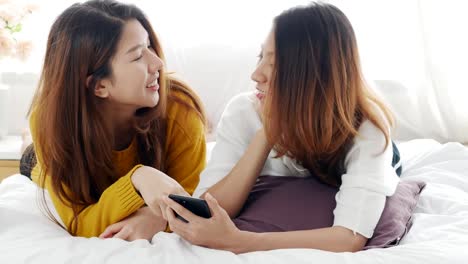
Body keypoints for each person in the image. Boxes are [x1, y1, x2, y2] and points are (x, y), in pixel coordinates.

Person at [163, 2, 401, 253]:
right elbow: (209, 206)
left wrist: (240, 241)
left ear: (313, 73)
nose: (256, 74)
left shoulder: (368, 129)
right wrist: (267, 134)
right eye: (260, 57)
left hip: (355, 145)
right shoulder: (244, 111)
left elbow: (349, 238)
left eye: (274, 64)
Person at [29, 0, 207, 241]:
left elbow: (191, 203)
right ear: (99, 85)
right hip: (49, 159)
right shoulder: (50, 121)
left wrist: (155, 217)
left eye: (149, 46)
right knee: (34, 169)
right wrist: (138, 179)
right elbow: (79, 221)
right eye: (137, 57)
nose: (158, 63)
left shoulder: (180, 108)